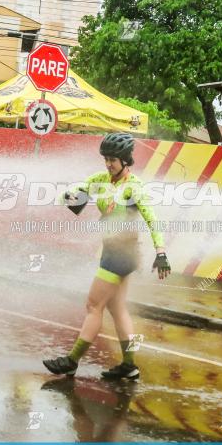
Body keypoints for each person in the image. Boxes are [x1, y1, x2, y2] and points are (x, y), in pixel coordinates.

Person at [43, 132, 171, 380]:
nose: (108, 164)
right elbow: (73, 193)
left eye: (113, 159)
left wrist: (161, 252)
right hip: (114, 252)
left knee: (93, 305)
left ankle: (71, 361)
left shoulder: (134, 187)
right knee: (117, 308)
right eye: (106, 159)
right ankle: (130, 365)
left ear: (126, 160)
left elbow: (152, 219)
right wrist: (69, 196)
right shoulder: (101, 180)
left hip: (121, 254)